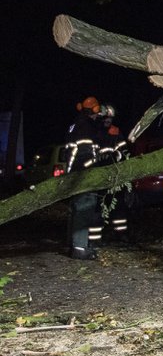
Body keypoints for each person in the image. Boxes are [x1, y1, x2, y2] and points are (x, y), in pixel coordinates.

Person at [64, 96, 109, 260]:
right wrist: (93, 171)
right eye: (98, 111)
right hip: (84, 174)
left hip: (75, 174)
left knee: (76, 209)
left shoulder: (76, 124)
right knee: (84, 207)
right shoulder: (86, 126)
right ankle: (80, 248)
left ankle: (73, 244)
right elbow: (85, 154)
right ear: (94, 110)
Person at [98, 104, 131, 243]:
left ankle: (121, 234)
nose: (107, 120)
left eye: (110, 118)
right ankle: (100, 235)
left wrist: (115, 156)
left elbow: (124, 152)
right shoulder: (94, 131)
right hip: (98, 176)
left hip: (116, 174)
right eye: (105, 117)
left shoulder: (116, 132)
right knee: (99, 206)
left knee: (118, 206)